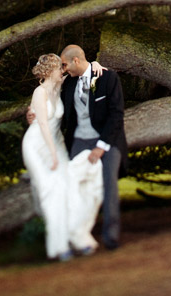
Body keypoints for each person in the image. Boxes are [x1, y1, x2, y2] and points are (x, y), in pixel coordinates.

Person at [30, 45, 128, 251]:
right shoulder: (69, 82)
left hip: (107, 140)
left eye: (65, 65)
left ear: (75, 61)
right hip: (80, 141)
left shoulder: (108, 78)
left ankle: (111, 236)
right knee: (75, 187)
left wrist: (101, 147)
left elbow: (116, 115)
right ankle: (78, 235)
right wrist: (31, 113)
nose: (63, 69)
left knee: (108, 186)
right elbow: (48, 93)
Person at [22, 53, 103, 261]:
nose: (63, 71)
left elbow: (84, 68)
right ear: (50, 71)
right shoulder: (39, 93)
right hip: (38, 147)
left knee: (69, 188)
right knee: (52, 194)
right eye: (60, 68)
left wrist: (94, 63)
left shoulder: (59, 86)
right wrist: (52, 154)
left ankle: (77, 237)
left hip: (56, 145)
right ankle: (58, 246)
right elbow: (41, 125)